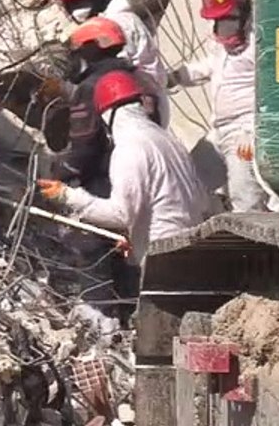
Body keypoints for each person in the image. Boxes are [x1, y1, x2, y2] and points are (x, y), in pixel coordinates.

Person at [37, 69, 213, 305]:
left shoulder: (129, 148)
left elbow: (120, 214)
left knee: (162, 334)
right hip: (194, 247)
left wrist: (67, 196)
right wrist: (136, 232)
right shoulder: (169, 140)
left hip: (163, 257)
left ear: (105, 114)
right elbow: (194, 198)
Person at [168, 0, 279, 212]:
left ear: (242, 8)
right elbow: (210, 66)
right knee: (189, 183)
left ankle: (255, 247)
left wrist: (253, 130)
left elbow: (277, 91)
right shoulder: (220, 41)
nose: (223, 26)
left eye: (228, 17)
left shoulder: (260, 41)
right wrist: (177, 77)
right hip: (219, 131)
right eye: (218, 19)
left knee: (245, 200)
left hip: (245, 132)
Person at [44, 17, 163, 199]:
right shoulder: (139, 77)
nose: (72, 60)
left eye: (75, 54)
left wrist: (59, 174)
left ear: (89, 50)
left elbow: (83, 148)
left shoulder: (90, 87)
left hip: (112, 178)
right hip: (155, 165)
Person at [55, 0, 171, 127]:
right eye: (73, 4)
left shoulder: (114, 24)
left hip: (139, 105)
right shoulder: (114, 19)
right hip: (144, 100)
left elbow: (113, 70)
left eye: (82, 1)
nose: (77, 10)